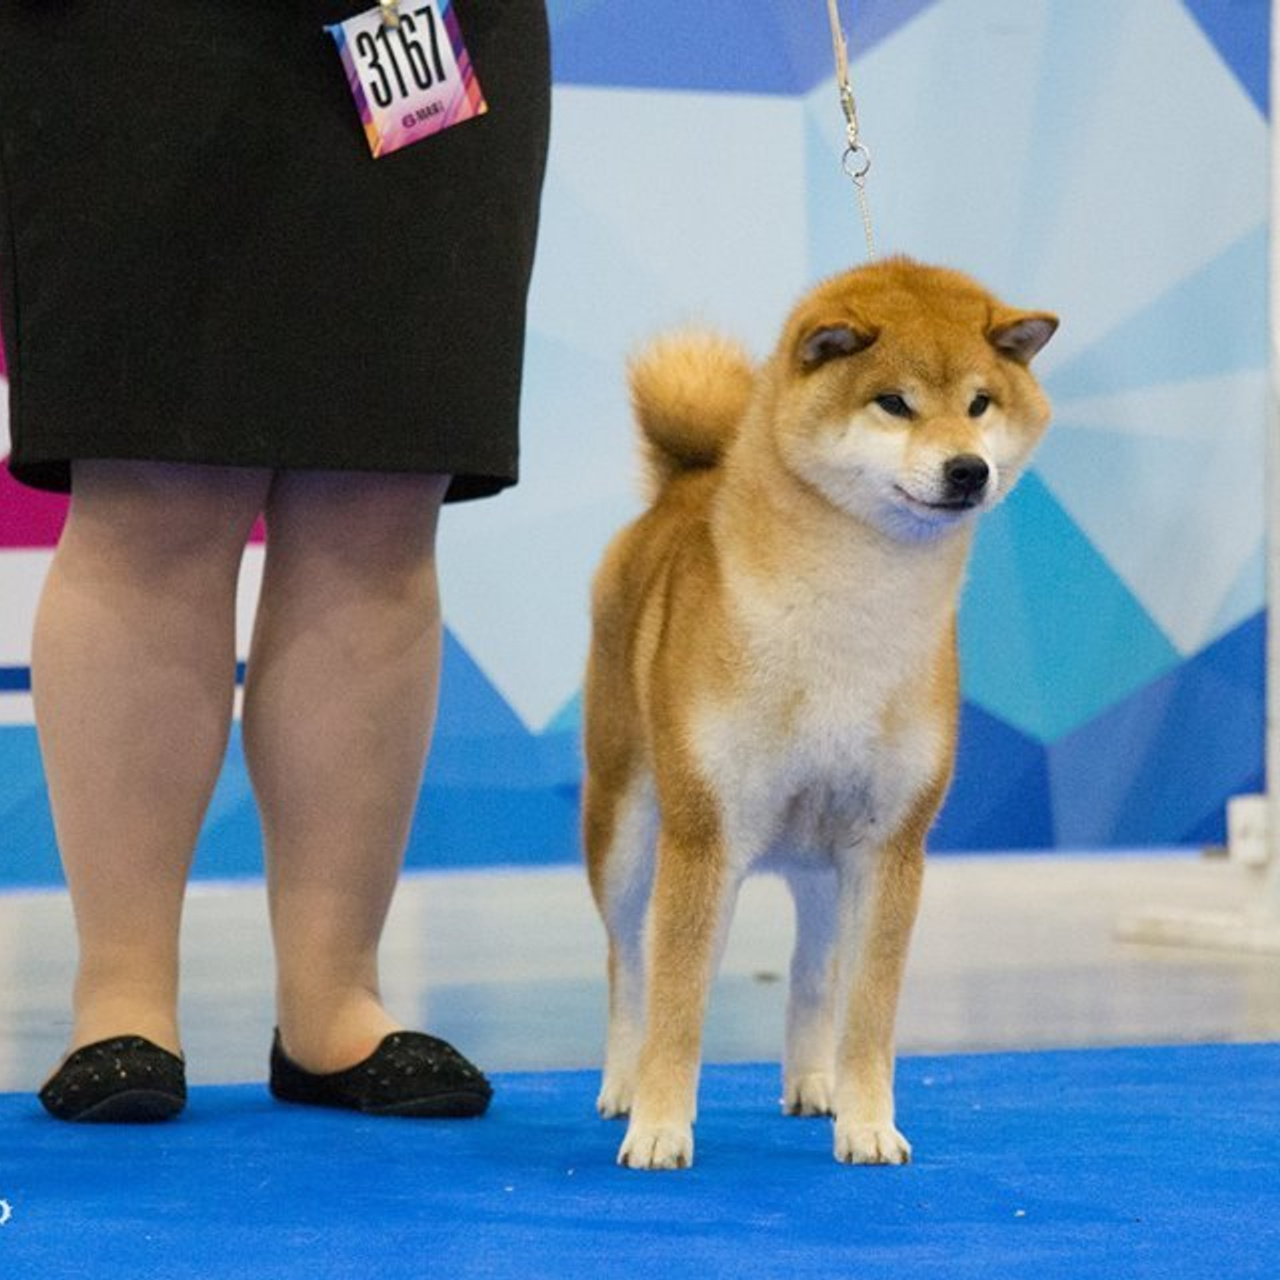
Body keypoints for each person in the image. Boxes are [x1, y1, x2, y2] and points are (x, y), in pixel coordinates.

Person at [0, 0, 551, 1121]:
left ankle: (335, 1000)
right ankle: (121, 994)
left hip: (425, 21)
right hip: (137, 39)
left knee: (380, 492)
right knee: (151, 484)